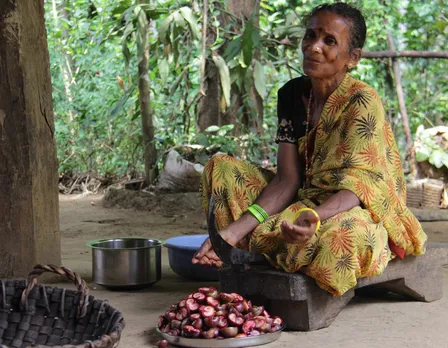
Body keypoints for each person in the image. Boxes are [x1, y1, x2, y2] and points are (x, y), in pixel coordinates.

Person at [192, 2, 427, 296]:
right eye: (310, 36)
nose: (314, 47)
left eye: (329, 41)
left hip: (350, 207)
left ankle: (279, 250)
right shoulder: (291, 94)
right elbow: (287, 180)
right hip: (302, 197)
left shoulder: (361, 102)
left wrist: (313, 218)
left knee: (344, 237)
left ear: (352, 58)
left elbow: (359, 188)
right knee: (221, 169)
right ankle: (256, 248)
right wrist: (229, 234)